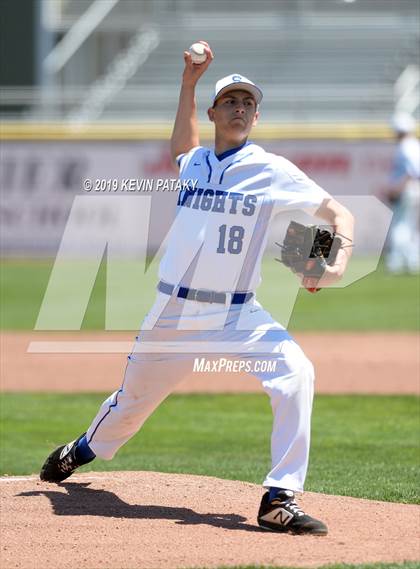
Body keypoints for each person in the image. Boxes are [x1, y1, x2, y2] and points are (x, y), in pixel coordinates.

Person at [40, 41, 354, 536]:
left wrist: (332, 264)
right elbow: (181, 147)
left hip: (238, 315)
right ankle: (80, 450)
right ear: (214, 111)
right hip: (173, 313)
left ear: (256, 114)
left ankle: (279, 497)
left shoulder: (270, 169)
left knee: (296, 373)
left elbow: (338, 214)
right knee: (129, 409)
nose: (241, 108)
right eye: (231, 100)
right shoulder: (196, 165)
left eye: (249, 102)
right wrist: (188, 81)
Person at [384, 112, 419, 274]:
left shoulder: (406, 147)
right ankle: (412, 261)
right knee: (410, 226)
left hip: (407, 189)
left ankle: (397, 261)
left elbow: (413, 171)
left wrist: (397, 189)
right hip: (412, 189)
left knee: (400, 225)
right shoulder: (414, 144)